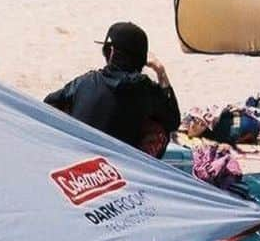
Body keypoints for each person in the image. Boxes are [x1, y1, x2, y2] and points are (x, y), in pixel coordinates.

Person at [44, 22, 180, 158]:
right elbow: (173, 120)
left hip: (76, 163)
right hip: (120, 168)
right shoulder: (147, 90)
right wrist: (160, 71)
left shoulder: (84, 82)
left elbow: (48, 103)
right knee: (159, 129)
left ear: (111, 53)